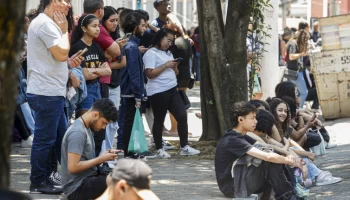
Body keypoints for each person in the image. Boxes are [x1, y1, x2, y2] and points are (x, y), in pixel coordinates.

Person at [27, 0, 83, 194]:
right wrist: (64, 31)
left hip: (52, 91)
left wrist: (68, 63)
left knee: (60, 137)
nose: (69, 5)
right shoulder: (46, 24)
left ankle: (55, 176)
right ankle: (38, 181)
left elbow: (56, 58)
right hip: (46, 92)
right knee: (45, 139)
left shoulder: (48, 24)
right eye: (65, 1)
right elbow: (60, 53)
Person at [215, 101, 300, 199]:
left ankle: (290, 194)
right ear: (241, 119)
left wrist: (292, 158)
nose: (256, 121)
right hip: (233, 187)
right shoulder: (232, 139)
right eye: (252, 118)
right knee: (269, 160)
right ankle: (289, 196)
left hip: (241, 181)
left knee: (274, 157)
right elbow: (267, 156)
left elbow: (268, 148)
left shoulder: (242, 136)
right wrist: (288, 160)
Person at [143, 28, 200, 158]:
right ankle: (159, 148)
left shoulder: (168, 53)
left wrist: (174, 67)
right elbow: (150, 74)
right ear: (160, 38)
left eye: (172, 41)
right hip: (158, 91)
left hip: (172, 89)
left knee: (182, 116)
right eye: (168, 40)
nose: (170, 43)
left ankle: (184, 146)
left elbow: (176, 73)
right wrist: (165, 66)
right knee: (159, 120)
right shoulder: (151, 53)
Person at [83, 0, 122, 158]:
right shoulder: (81, 44)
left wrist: (102, 66)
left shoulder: (96, 44)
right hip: (92, 85)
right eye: (95, 26)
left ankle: (100, 157)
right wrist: (102, 66)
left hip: (100, 83)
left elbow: (109, 65)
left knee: (103, 123)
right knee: (93, 123)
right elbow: (88, 72)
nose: (98, 29)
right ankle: (95, 158)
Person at [61, 98, 118, 200]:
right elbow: (72, 167)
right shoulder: (77, 133)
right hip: (76, 187)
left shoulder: (86, 127)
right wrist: (101, 159)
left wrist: (104, 156)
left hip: (87, 178)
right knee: (119, 182)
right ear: (95, 114)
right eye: (104, 123)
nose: (104, 127)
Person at [120, 12, 147, 157]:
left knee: (131, 121)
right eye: (142, 25)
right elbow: (134, 73)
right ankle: (128, 152)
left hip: (132, 90)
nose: (144, 28)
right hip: (130, 91)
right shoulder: (131, 46)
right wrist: (138, 94)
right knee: (129, 121)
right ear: (135, 26)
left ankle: (130, 150)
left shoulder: (132, 45)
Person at [285, 29, 309, 108]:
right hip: (295, 72)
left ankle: (296, 110)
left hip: (296, 72)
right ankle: (298, 109)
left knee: (297, 94)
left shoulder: (294, 43)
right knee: (304, 92)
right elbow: (291, 57)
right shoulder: (293, 43)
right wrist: (302, 53)